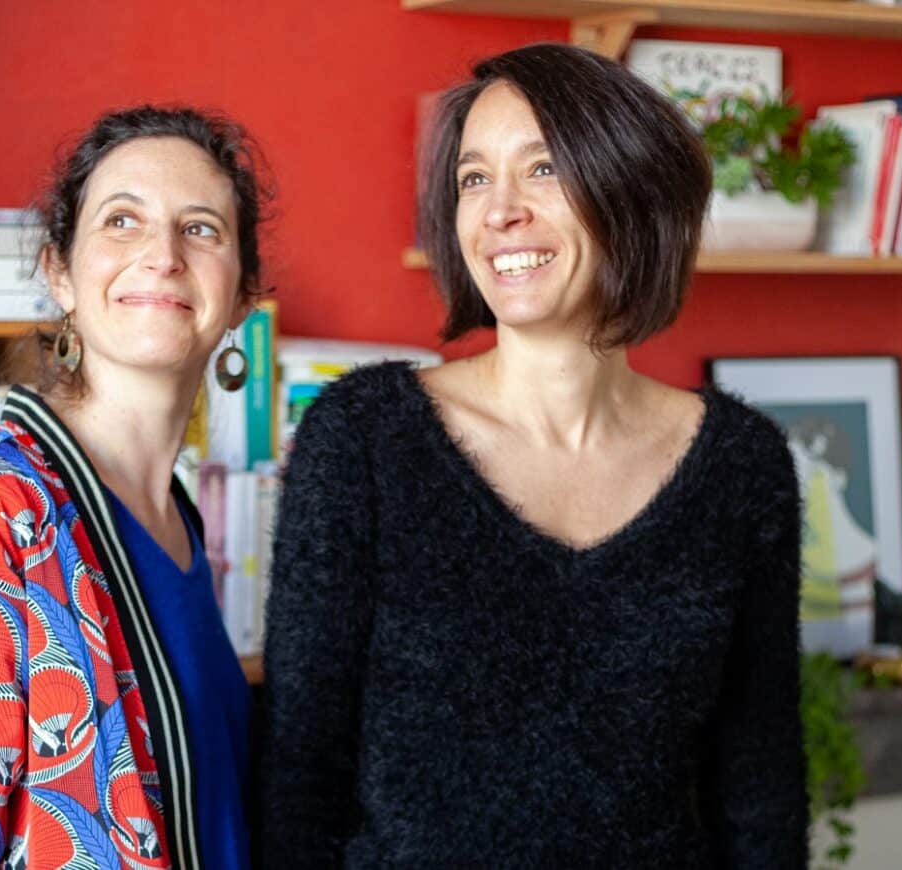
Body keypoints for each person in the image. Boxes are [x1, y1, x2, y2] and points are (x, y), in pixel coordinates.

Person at [262, 42, 807, 869]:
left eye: (543, 169)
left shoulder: (741, 465)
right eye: (474, 178)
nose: (499, 211)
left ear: (629, 191)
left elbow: (759, 782)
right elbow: (301, 773)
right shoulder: (364, 439)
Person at [0, 105, 270, 870]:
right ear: (60, 274)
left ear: (242, 297)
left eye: (203, 228)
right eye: (122, 221)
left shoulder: (176, 517)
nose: (163, 255)